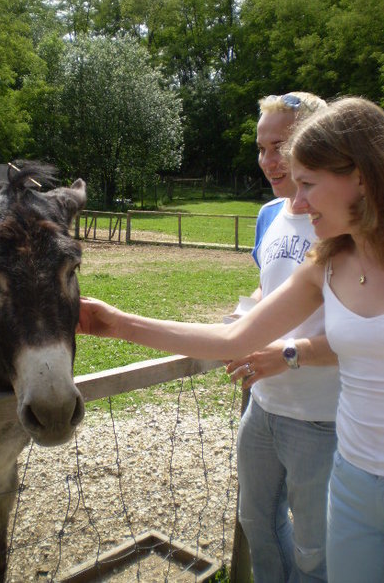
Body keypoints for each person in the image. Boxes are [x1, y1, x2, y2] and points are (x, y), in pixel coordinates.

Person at [78, 96, 384, 583]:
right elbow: (233, 338)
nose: (298, 203)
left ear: (361, 176)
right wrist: (115, 324)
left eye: (307, 183)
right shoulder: (326, 261)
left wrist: (292, 353)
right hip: (351, 474)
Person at [223, 93, 340, 583]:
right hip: (263, 406)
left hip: (321, 420)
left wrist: (289, 354)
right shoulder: (269, 214)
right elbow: (272, 283)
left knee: (316, 548)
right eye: (261, 147)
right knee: (258, 525)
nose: (269, 161)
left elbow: (366, 334)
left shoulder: (344, 222)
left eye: (281, 145)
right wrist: (241, 315)